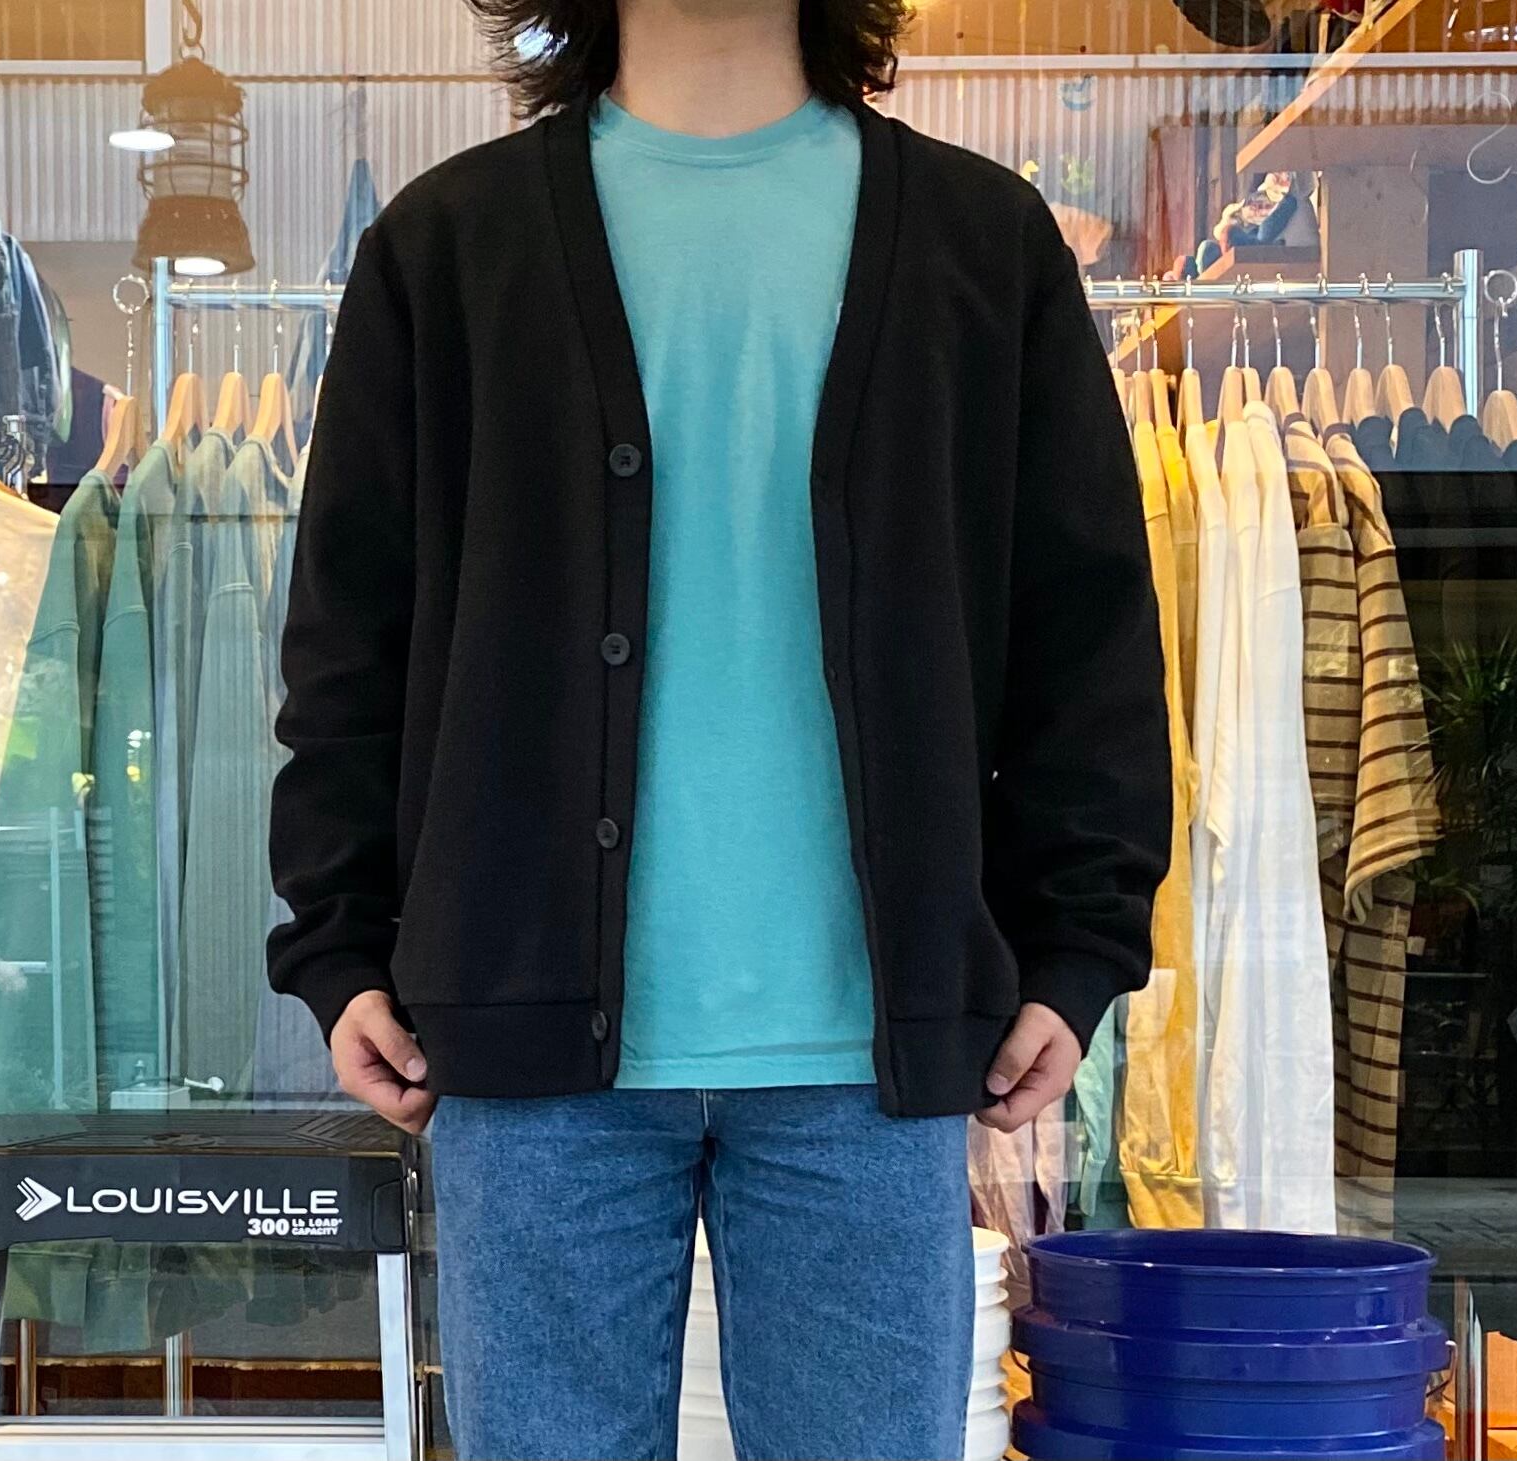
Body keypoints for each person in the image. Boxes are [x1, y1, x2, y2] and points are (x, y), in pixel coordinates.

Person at [266, 0, 1169, 1454]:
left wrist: (1077, 945)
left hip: (867, 1065)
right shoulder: (447, 250)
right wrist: (339, 944)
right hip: (525, 1053)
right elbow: (349, 639)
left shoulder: (982, 247)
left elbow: (1087, 635)